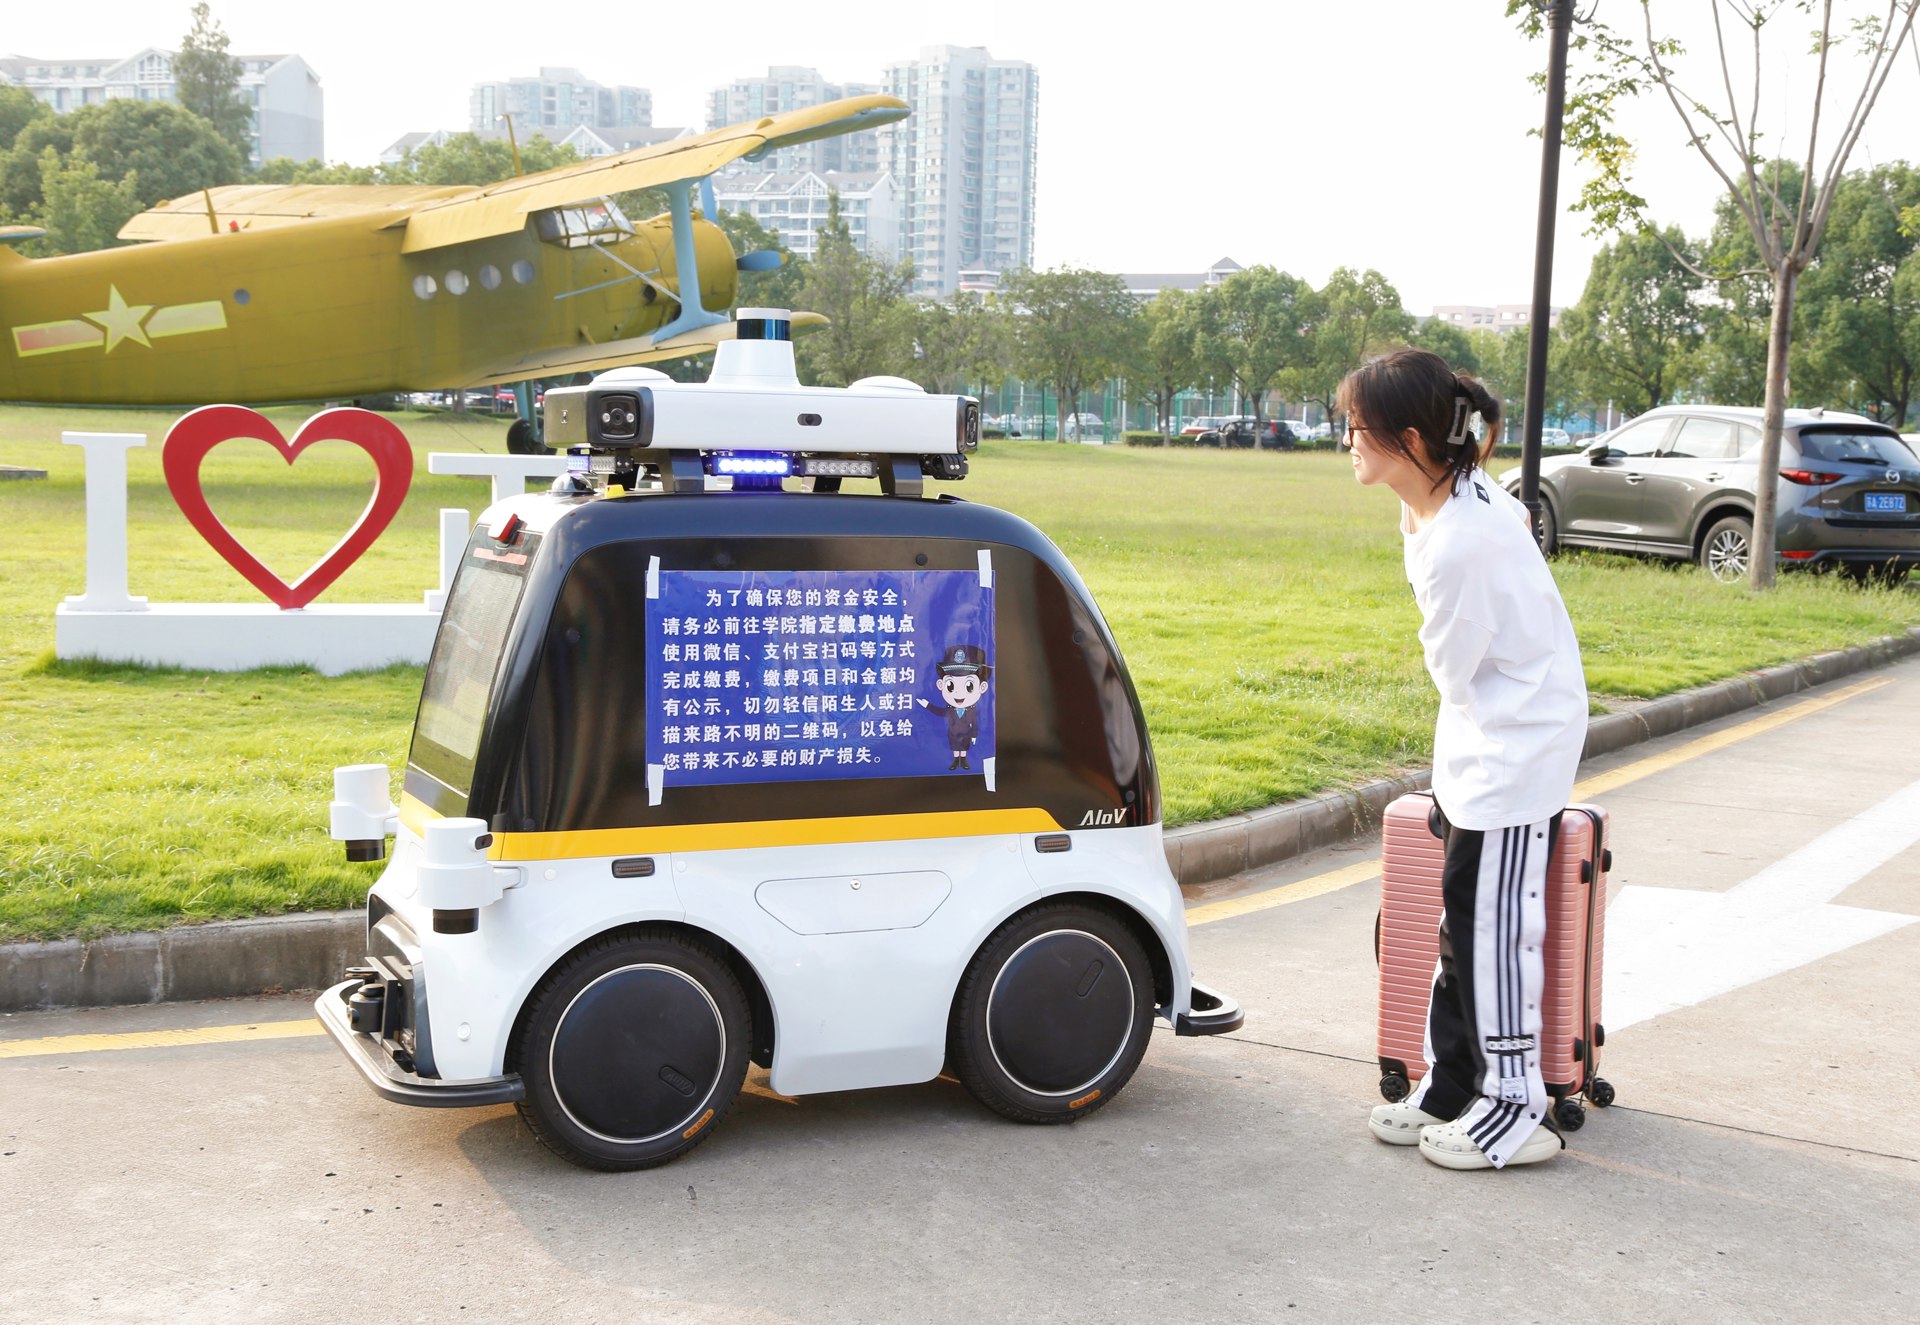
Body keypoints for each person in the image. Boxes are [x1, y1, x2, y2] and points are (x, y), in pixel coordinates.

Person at [1342, 348, 1588, 1170]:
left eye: (1359, 428)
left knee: (1496, 932)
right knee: (1462, 921)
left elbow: (1450, 668)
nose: (1347, 440)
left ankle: (1514, 1107)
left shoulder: (1461, 541)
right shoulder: (1445, 500)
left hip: (1517, 748)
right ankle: (1452, 1083)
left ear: (1409, 440)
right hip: (1485, 738)